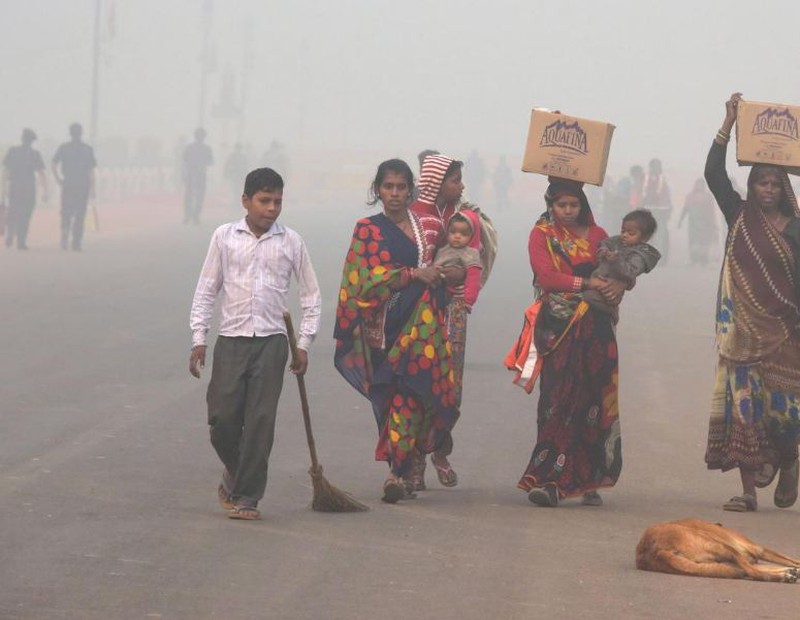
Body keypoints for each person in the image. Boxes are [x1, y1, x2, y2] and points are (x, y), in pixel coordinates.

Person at [189, 167, 321, 521]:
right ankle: (236, 470)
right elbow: (207, 289)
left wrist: (303, 343)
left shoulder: (291, 241)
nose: (271, 208)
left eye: (277, 201)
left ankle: (248, 496)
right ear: (246, 201)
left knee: (260, 421)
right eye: (264, 201)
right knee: (221, 419)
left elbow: (311, 295)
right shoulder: (224, 237)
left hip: (273, 342)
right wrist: (199, 338)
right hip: (231, 339)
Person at [334, 159, 459, 503]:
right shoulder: (367, 229)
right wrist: (412, 275)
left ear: (410, 190)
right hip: (382, 328)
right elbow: (361, 280)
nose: (394, 193)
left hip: (421, 328)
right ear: (377, 190)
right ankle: (401, 466)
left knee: (411, 393)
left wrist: (451, 273)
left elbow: (451, 259)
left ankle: (398, 473)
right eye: (388, 187)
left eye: (401, 187)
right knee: (388, 398)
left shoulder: (427, 228)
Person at [703, 92, 800, 512]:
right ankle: (747, 492)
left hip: (786, 333)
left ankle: (788, 460)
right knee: (745, 411)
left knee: (785, 417)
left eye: (775, 184)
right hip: (741, 333)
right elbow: (713, 174)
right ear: (752, 185)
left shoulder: (795, 229)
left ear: (784, 188)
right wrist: (727, 124)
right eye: (762, 182)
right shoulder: (738, 215)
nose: (768, 190)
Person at [517, 179, 626, 507]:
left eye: (573, 205)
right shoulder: (542, 235)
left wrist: (619, 285)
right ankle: (551, 479)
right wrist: (588, 282)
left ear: (583, 206)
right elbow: (547, 277)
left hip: (598, 330)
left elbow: (620, 270)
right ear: (551, 205)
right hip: (559, 329)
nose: (567, 211)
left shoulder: (598, 235)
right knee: (558, 400)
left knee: (594, 400)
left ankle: (589, 478)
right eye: (561, 205)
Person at [408, 153, 469, 489]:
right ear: (436, 182)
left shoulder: (461, 217)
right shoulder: (417, 218)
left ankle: (440, 451)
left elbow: (472, 261)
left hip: (454, 312)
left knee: (450, 390)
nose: (461, 187)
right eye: (455, 180)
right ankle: (416, 462)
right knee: (420, 388)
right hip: (422, 313)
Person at [583, 209, 661, 317]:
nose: (624, 235)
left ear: (645, 238)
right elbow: (605, 243)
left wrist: (616, 260)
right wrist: (604, 251)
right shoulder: (617, 241)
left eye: (631, 233)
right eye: (622, 231)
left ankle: (611, 311)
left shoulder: (640, 255)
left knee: (587, 297)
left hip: (611, 291)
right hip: (598, 279)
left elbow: (629, 273)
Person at [52, 123, 97, 251]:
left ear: (70, 133)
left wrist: (58, 179)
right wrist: (93, 188)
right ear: (81, 133)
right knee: (80, 214)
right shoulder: (88, 149)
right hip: (83, 184)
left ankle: (65, 228)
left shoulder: (64, 147)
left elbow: (53, 164)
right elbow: (91, 171)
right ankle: (76, 243)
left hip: (68, 183)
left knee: (66, 210)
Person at [2, 128, 47, 250]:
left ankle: (11, 232)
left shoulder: (13, 151)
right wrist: (45, 190)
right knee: (25, 215)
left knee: (13, 211)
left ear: (22, 139)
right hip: (28, 188)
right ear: (32, 141)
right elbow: (41, 173)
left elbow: (5, 171)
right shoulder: (35, 154)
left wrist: (3, 188)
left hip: (15, 187)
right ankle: (21, 241)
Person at [678, 178, 718, 266]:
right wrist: (680, 220)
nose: (699, 186)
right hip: (693, 224)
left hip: (705, 223)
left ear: (703, 186)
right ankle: (694, 259)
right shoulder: (690, 196)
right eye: (698, 184)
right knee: (693, 241)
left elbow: (711, 211)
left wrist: (713, 224)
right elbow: (685, 209)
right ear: (695, 185)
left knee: (704, 242)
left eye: (701, 184)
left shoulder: (708, 197)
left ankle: (704, 260)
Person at [641, 158, 672, 263]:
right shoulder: (645, 178)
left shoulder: (663, 179)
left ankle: (662, 258)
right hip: (647, 210)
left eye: (657, 166)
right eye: (653, 166)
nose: (655, 168)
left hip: (661, 211)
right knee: (647, 235)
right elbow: (640, 193)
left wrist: (668, 210)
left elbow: (667, 196)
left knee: (661, 234)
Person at [183, 127, 214, 224]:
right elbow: (211, 161)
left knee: (189, 195)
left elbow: (184, 159)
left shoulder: (190, 147)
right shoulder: (206, 148)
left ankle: (188, 215)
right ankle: (195, 215)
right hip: (200, 174)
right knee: (199, 195)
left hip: (191, 173)